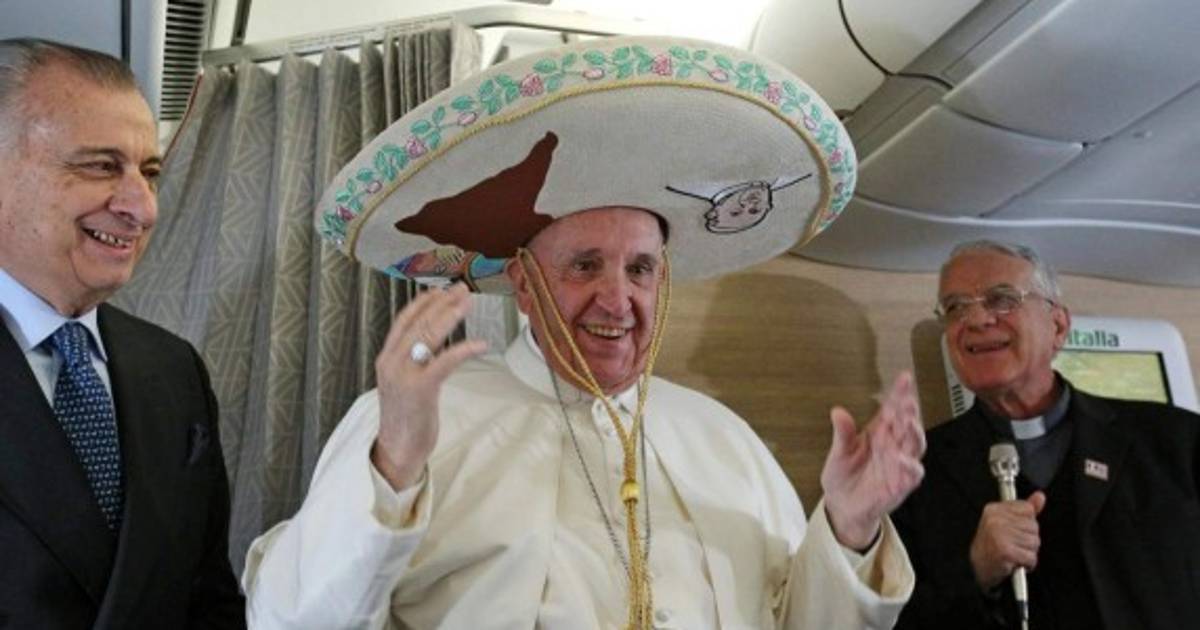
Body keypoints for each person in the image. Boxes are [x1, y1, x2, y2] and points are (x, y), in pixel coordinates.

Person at [244, 35, 926, 629]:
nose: (618, 298)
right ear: (523, 282)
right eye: (585, 265)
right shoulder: (410, 423)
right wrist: (392, 467)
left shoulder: (726, 440)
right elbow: (288, 619)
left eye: (641, 269)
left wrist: (849, 528)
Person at [0, 38, 245, 628]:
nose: (144, 208)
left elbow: (208, 598)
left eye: (150, 172)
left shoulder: (173, 368)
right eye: (101, 166)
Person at [893, 239, 1200, 629]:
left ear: (1058, 326)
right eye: (955, 307)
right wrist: (976, 570)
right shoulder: (912, 476)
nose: (976, 319)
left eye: (1002, 299)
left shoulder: (1176, 440)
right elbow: (890, 620)